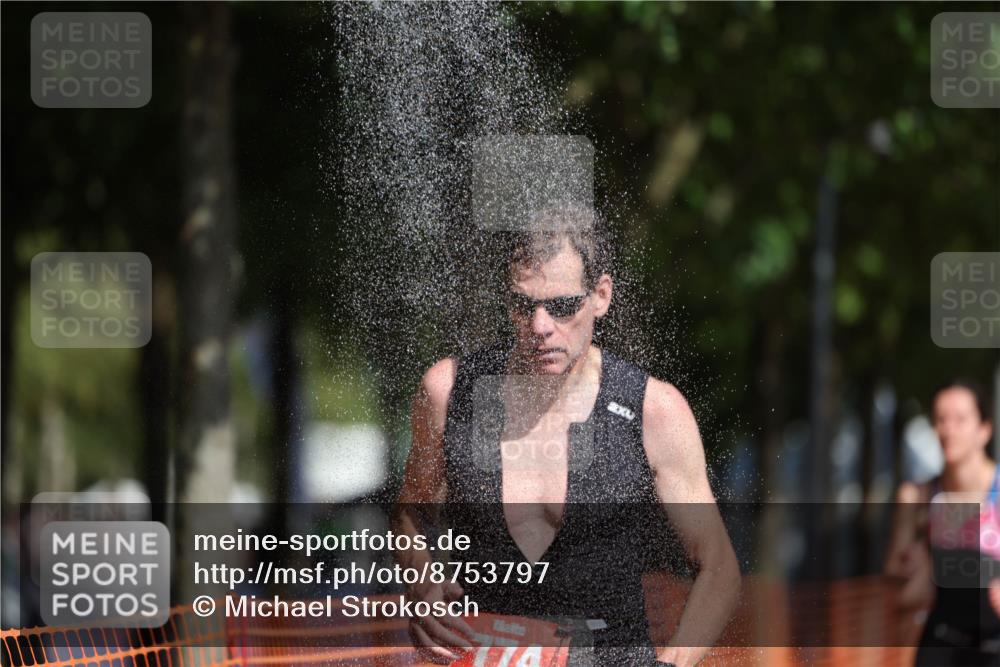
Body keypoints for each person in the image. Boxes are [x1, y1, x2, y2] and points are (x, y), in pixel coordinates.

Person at [394, 214, 740, 667]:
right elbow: (412, 510)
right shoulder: (449, 392)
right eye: (524, 306)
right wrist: (421, 579)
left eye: (562, 306)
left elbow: (718, 567)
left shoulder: (653, 410)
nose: (540, 326)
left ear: (601, 296)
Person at [884, 379, 1000, 666]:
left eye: (960, 420)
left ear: (985, 429)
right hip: (941, 643)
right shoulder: (918, 496)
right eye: (941, 419)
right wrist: (912, 562)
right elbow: (896, 580)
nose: (949, 430)